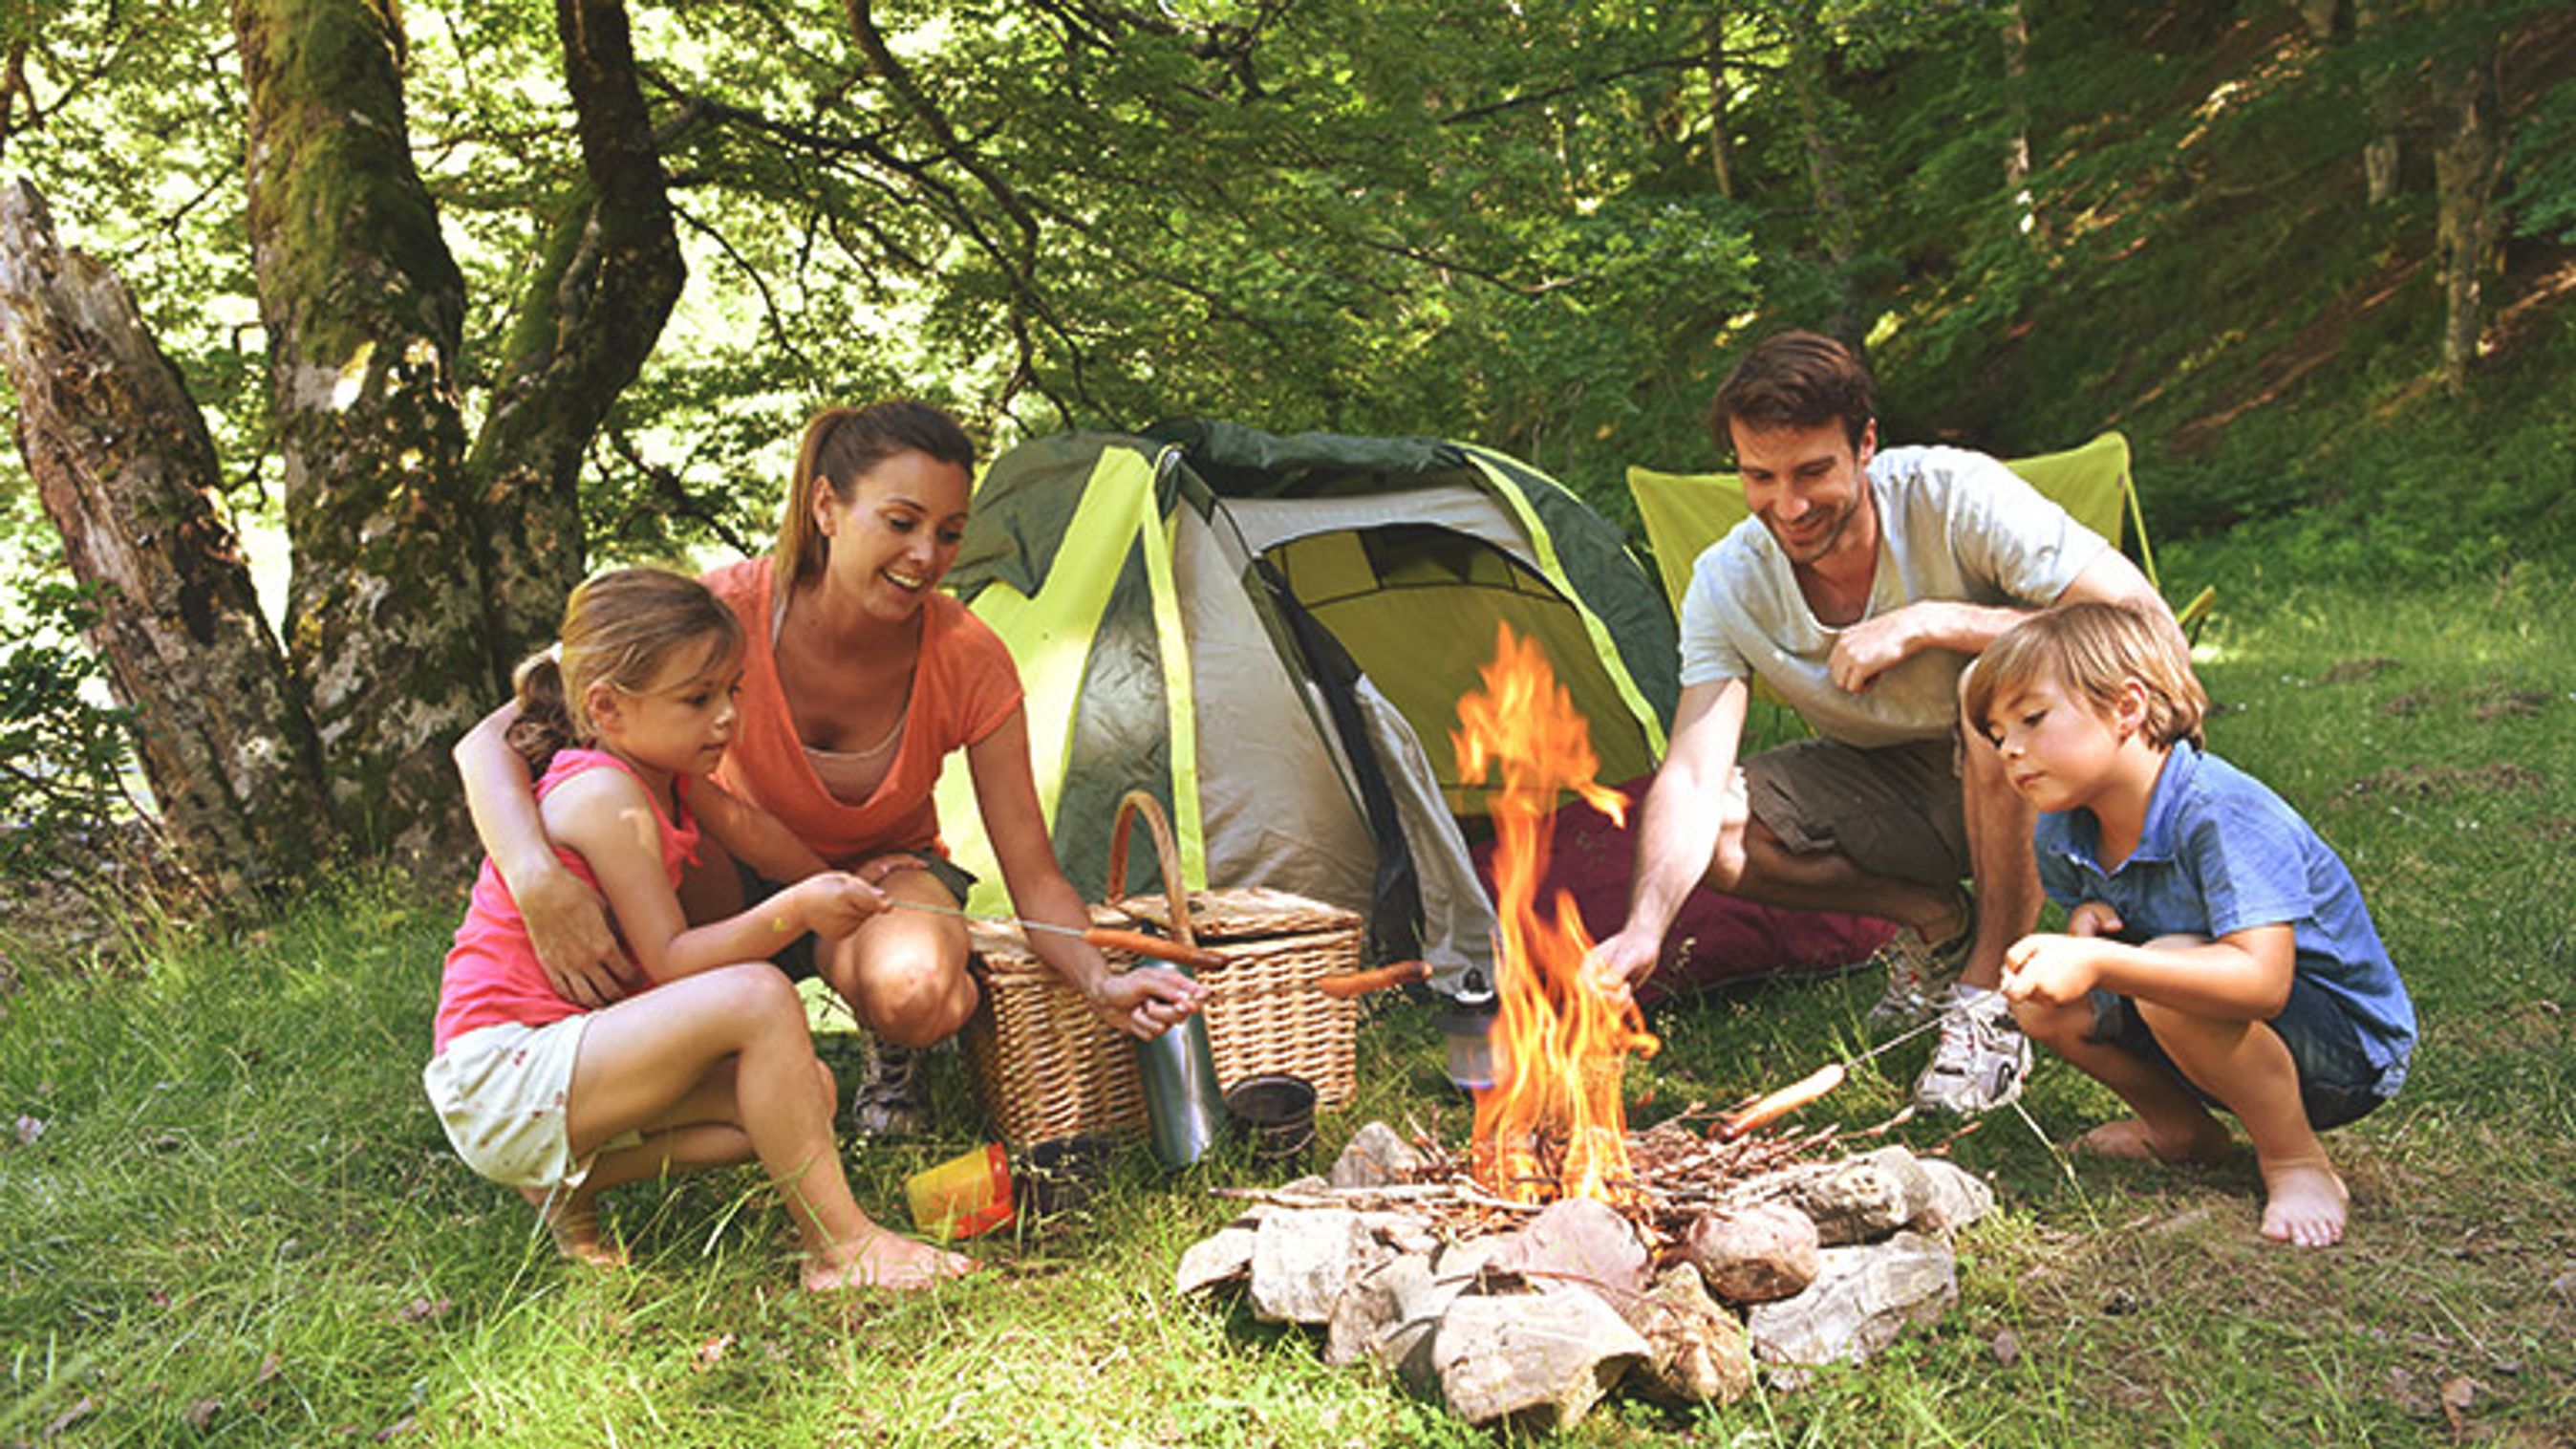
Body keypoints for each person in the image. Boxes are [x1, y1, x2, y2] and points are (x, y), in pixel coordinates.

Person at [454, 401, 1207, 1137]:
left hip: (878, 876)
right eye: (901, 522)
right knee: (651, 880)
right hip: (720, 867)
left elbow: (1035, 872)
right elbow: (491, 737)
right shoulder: (720, 612)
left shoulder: (969, 657)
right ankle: (682, 1069)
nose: (926, 557)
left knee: (919, 991)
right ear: (826, 507)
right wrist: (535, 878)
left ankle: (894, 1044)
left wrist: (1100, 980)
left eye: (949, 533)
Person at [1587, 330, 2179, 1114]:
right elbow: (1693, 769)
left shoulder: (1953, 493)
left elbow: (2146, 623)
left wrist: (1934, 620)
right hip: (1902, 782)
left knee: (1987, 687)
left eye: (1812, 472)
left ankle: (1989, 998)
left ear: (1866, 444)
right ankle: (1939, 926)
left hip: (2065, 783)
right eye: (1758, 476)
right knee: (1723, 830)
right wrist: (1645, 928)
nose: (1787, 506)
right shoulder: (1728, 581)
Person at [424, 567, 973, 1289]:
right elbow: (675, 960)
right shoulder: (604, 797)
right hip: (504, 1075)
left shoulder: (658, 771)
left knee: (801, 1094)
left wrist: (842, 879)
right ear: (607, 708)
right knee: (758, 994)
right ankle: (840, 1248)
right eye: (698, 698)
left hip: (557, 1070)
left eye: (731, 692)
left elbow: (750, 830)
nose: (726, 718)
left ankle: (566, 1185)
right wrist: (796, 911)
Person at [1968, 602, 2414, 1246]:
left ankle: (2294, 1159)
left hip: (2342, 1050)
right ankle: (2182, 1131)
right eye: (1996, 732)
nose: (2010, 748)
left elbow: (2262, 984)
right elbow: (2119, 940)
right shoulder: (2062, 828)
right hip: (2208, 1029)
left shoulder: (2221, 813)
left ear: (2127, 708)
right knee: (2042, 1007)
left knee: (2169, 977)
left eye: (2031, 719)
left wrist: (2100, 964)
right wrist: (2088, 928)